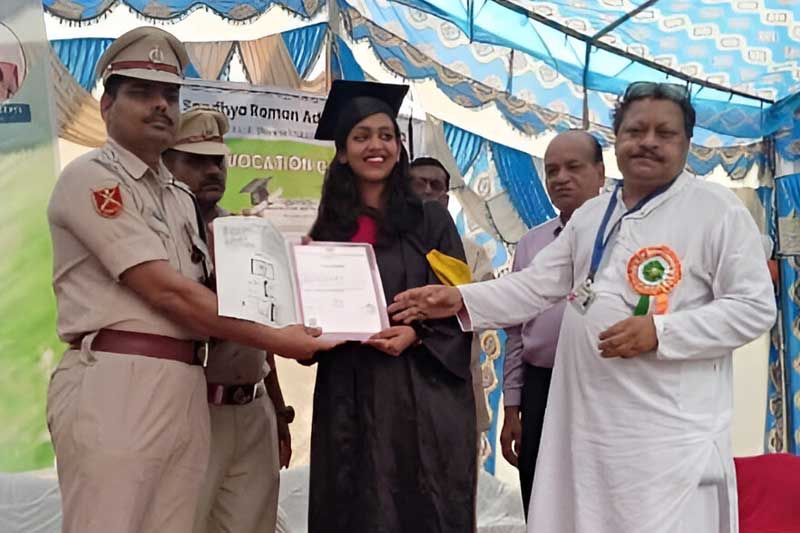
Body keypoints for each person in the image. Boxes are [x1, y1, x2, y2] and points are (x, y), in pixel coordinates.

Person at [389, 81, 776, 532]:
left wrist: (662, 332)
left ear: (687, 142)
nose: (647, 142)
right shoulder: (594, 214)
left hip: (664, 432)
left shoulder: (716, 211)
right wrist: (460, 298)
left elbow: (754, 306)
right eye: (635, 131)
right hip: (586, 423)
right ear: (618, 140)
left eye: (664, 133)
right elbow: (535, 286)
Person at [45, 27, 331, 533]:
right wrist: (280, 338)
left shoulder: (179, 199)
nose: (160, 105)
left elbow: (217, 293)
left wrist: (302, 280)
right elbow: (167, 291)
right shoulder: (92, 178)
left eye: (170, 95)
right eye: (141, 92)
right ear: (107, 104)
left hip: (186, 384)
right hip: (117, 378)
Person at [306, 80, 476, 532]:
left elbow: (462, 302)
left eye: (386, 135)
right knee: (350, 502)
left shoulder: (430, 220)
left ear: (399, 148)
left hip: (419, 389)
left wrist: (416, 333)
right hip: (346, 389)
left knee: (418, 503)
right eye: (361, 137)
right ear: (343, 153)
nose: (375, 146)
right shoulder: (327, 229)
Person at [162, 107, 292, 533]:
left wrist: (278, 409)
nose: (212, 171)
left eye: (218, 160)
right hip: (190, 410)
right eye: (196, 161)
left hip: (253, 408)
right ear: (165, 164)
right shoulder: (154, 232)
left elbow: (261, 335)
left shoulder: (243, 231)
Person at [500, 130, 605, 517]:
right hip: (539, 386)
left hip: (601, 385)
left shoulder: (625, 237)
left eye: (573, 167)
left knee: (595, 495)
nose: (561, 178)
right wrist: (512, 405)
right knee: (540, 492)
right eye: (551, 171)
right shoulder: (532, 243)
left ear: (601, 173)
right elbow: (515, 330)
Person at [409, 156, 492, 452]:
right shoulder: (387, 247)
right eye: (418, 184)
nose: (427, 191)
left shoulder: (473, 254)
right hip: (399, 393)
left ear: (446, 198)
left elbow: (483, 311)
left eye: (435, 186)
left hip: (456, 388)